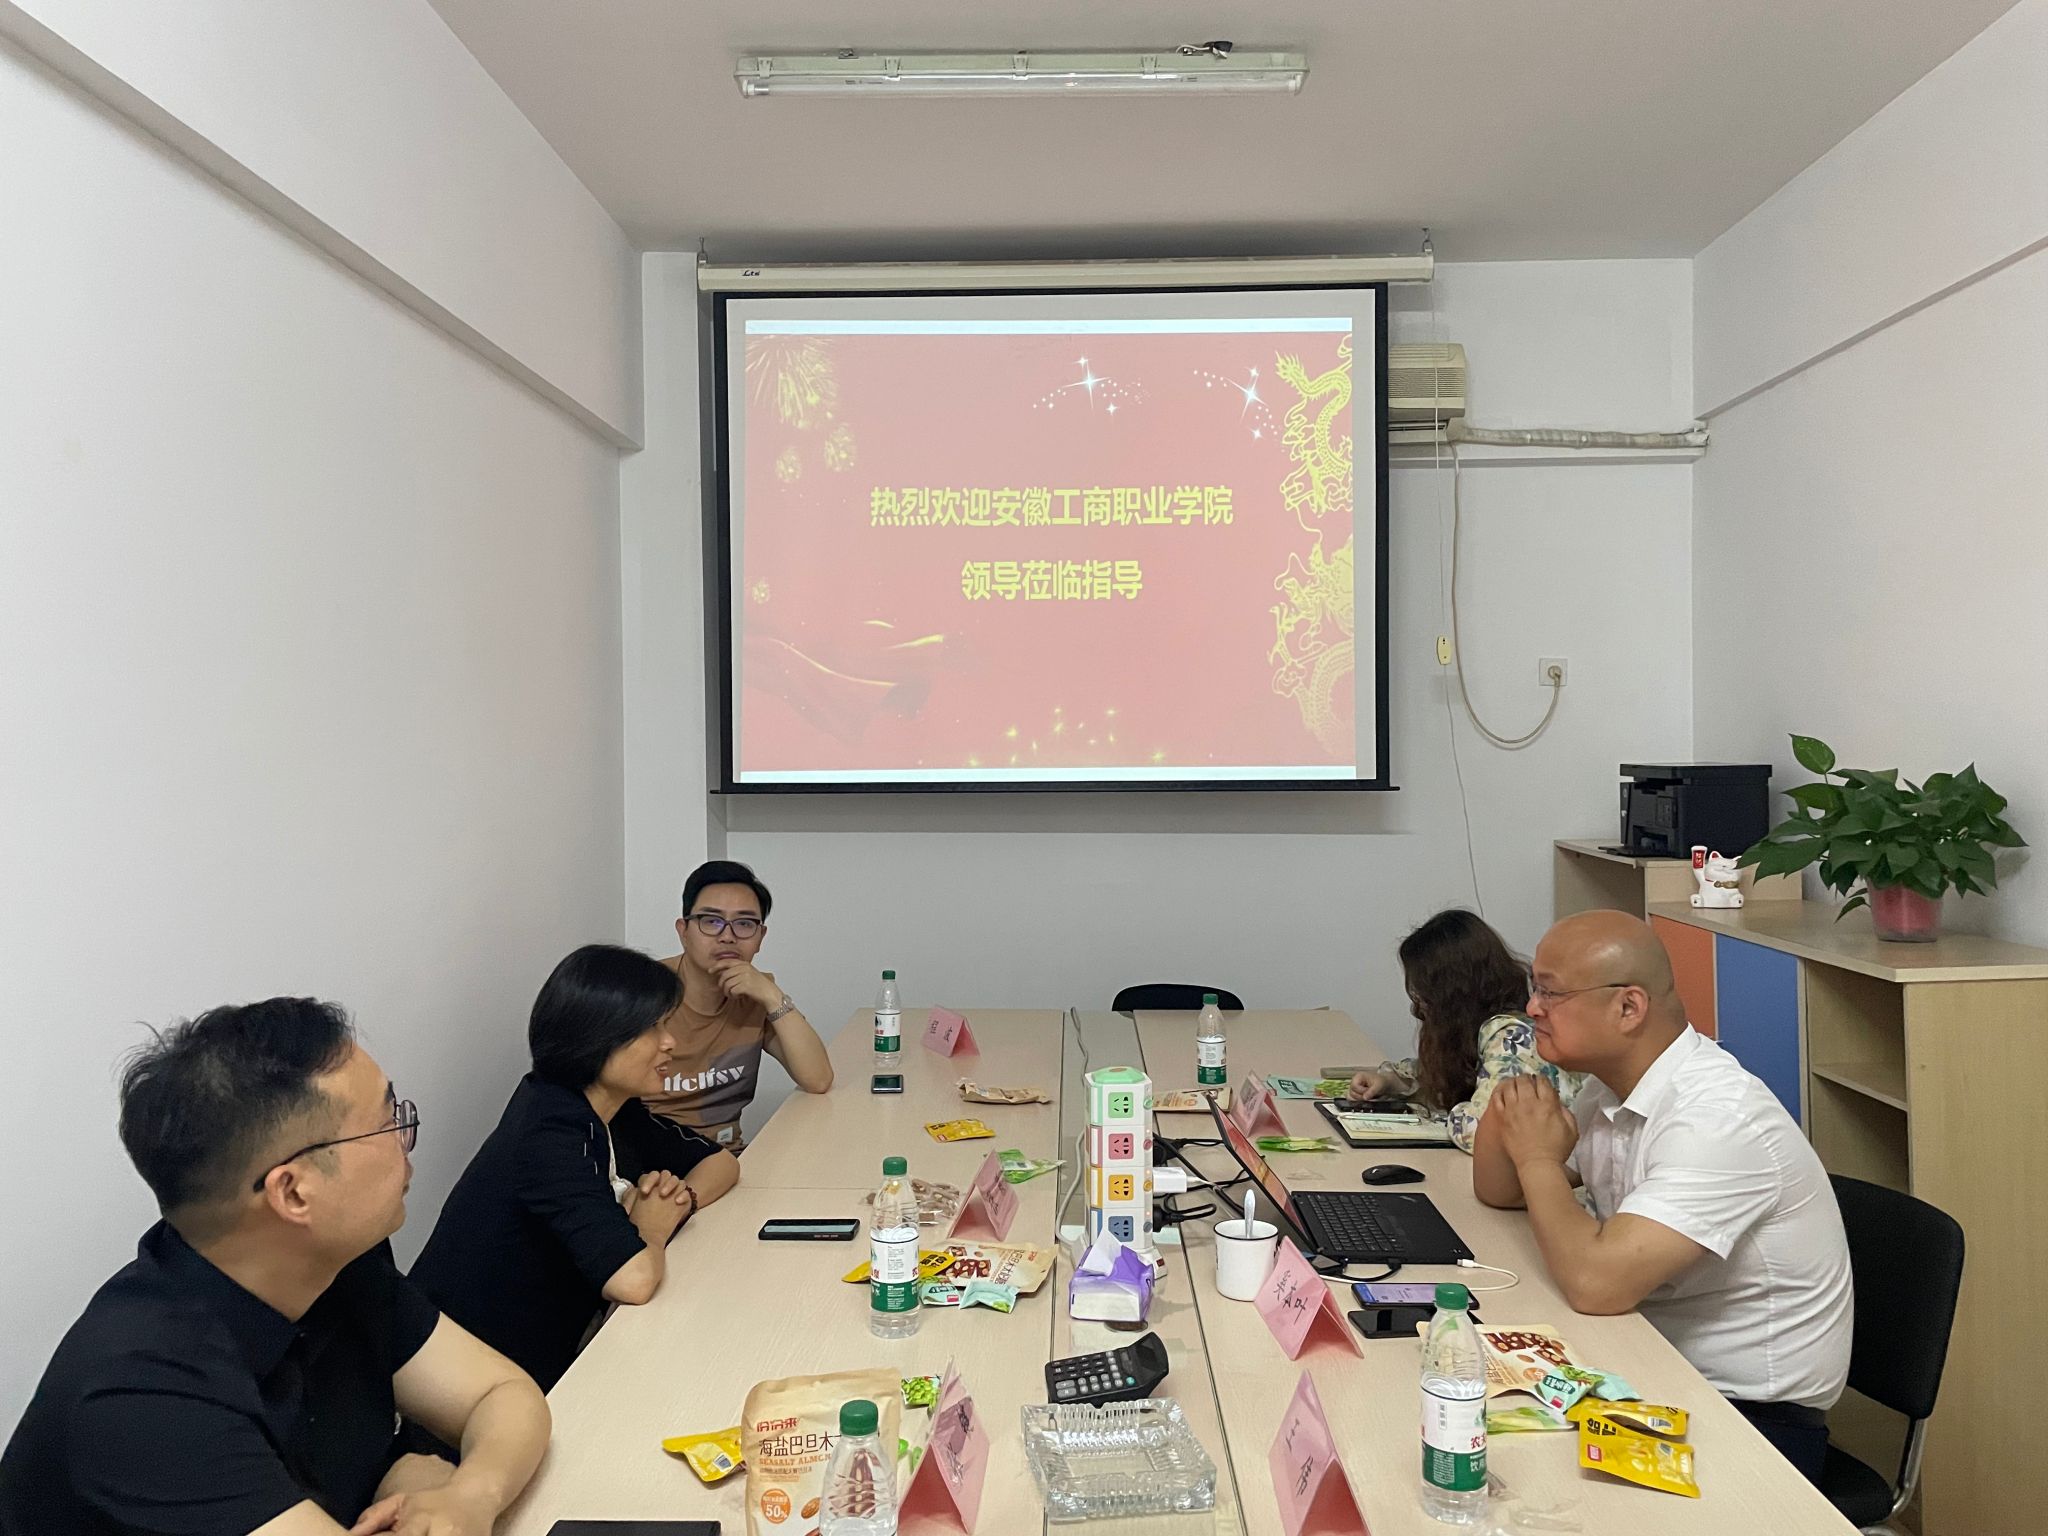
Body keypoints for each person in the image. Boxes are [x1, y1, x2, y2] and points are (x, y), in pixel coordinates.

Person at [0, 998, 549, 1536]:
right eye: (386, 1123)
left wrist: (470, 1495)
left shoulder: (333, 1264)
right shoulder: (143, 1400)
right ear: (293, 1192)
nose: (405, 1140)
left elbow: (501, 1394)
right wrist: (412, 1480)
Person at [1473, 910, 1853, 1483]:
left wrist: (1536, 1158)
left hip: (1748, 1418)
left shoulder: (1717, 1118)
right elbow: (1500, 1192)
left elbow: (1596, 1285)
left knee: (1513, 1481)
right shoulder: (1610, 1088)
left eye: (1551, 993)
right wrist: (1510, 1108)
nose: (1532, 1009)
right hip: (1645, 1362)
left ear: (1628, 1007)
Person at [411, 945, 740, 1392]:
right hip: (478, 1379)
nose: (670, 1042)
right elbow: (634, 1280)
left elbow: (720, 1162)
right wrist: (653, 1225)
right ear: (598, 1035)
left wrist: (682, 1200)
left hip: (549, 1353)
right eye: (653, 1028)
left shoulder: (611, 1105)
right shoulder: (550, 1130)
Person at [1345, 909, 1585, 1152]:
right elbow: (1440, 1074)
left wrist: (1438, 1113)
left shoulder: (1513, 1038)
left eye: (1422, 994)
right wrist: (1389, 1081)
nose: (1419, 1006)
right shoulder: (1486, 1027)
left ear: (1449, 994)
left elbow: (1482, 1133)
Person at [642, 860, 833, 1149]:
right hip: (650, 1159)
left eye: (744, 924)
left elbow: (818, 1079)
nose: (728, 936)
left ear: (760, 937)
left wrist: (772, 997)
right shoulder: (643, 991)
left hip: (729, 1155)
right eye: (711, 921)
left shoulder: (758, 993)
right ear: (683, 931)